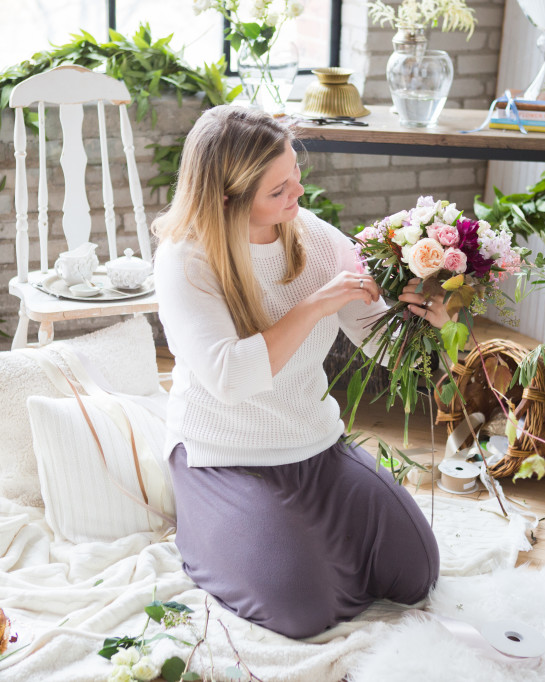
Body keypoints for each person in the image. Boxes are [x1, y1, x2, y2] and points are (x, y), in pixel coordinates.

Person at [152, 105, 449, 639]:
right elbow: (230, 378)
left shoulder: (311, 235)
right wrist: (311, 306)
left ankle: (291, 540)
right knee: (303, 610)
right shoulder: (186, 259)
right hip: (223, 457)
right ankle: (206, 536)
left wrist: (427, 324)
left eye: (296, 177)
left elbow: (384, 347)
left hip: (313, 445)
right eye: (278, 190)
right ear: (227, 197)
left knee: (416, 574)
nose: (298, 196)